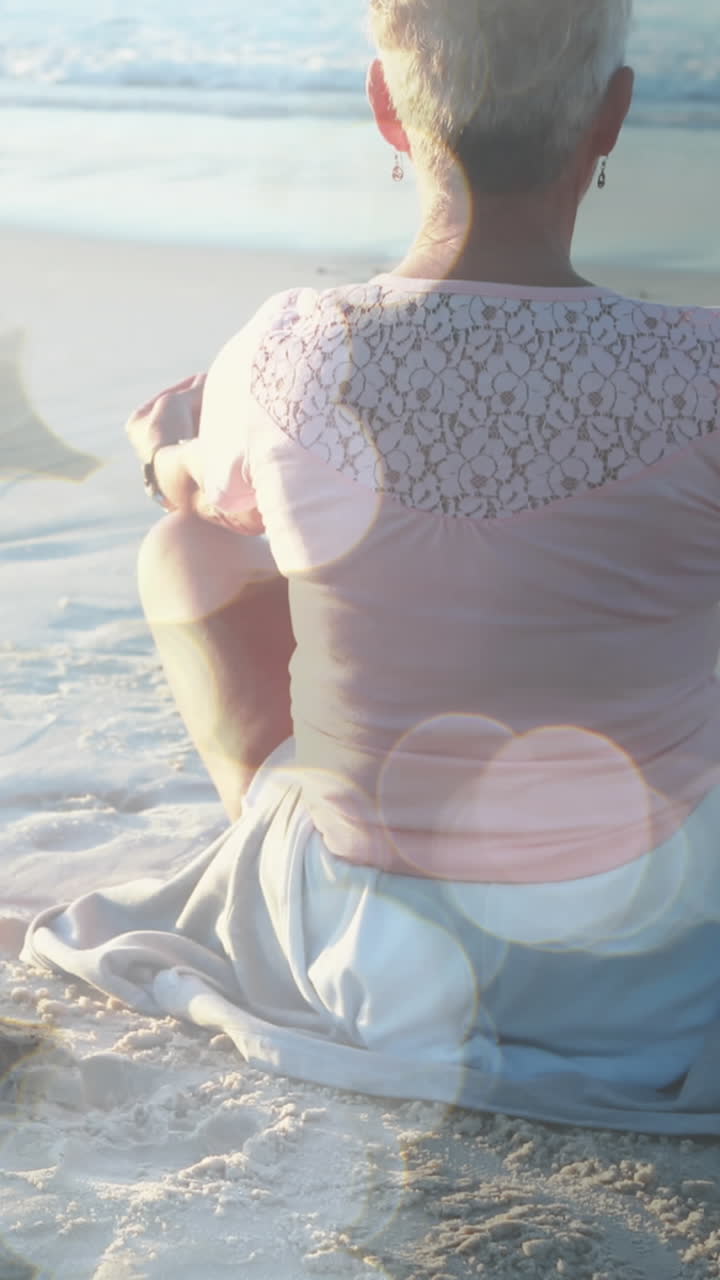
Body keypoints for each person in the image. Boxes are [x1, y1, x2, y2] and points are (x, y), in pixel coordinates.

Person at [23, 0, 720, 1133]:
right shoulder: (704, 371)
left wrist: (166, 448)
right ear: (613, 116)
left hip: (370, 957)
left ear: (388, 109)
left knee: (188, 549)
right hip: (649, 977)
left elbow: (193, 492)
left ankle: (282, 820)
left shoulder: (295, 343)